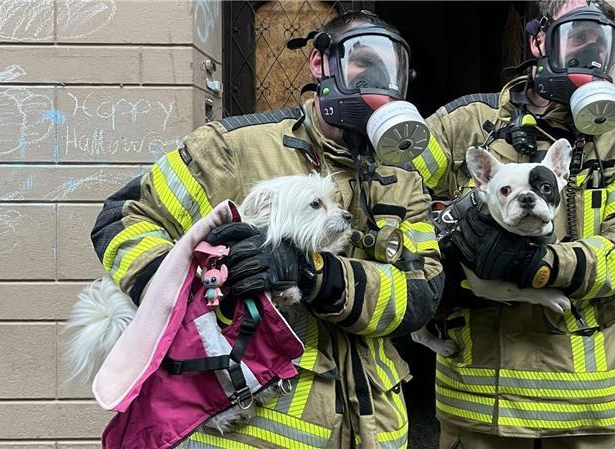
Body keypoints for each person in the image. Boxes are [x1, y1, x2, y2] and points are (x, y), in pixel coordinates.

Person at [89, 10, 443, 449]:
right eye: (363, 62)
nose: (378, 81)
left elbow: (420, 295)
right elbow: (125, 218)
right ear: (320, 63)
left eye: (392, 71)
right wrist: (196, 285)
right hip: (251, 426)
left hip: (376, 431)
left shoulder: (402, 179)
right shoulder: (234, 148)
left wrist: (316, 275)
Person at [405, 1, 615, 448]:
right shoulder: (468, 124)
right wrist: (438, 263)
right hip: (478, 406)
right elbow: (393, 188)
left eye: (602, 43)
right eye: (577, 36)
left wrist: (541, 265)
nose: (591, 53)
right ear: (539, 40)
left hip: (581, 410)